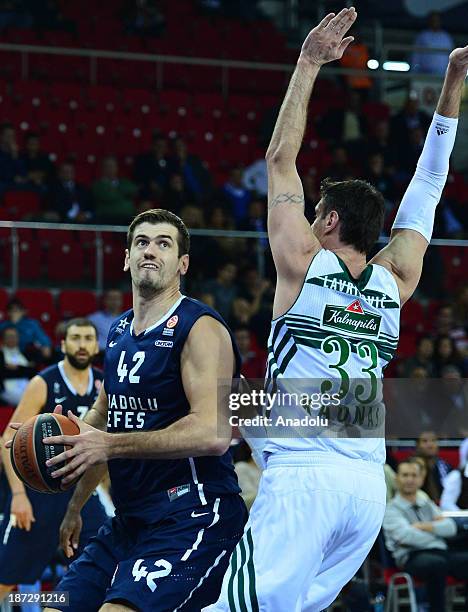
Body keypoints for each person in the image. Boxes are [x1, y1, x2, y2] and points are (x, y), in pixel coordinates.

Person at [207, 8, 468, 610]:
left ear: (325, 220)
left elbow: (279, 160)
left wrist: (307, 63)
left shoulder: (303, 261)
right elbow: (430, 185)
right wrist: (452, 85)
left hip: (306, 478)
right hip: (364, 489)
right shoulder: (395, 277)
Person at [35, 209, 247, 612]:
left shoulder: (200, 327)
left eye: (164, 244)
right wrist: (74, 501)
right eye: (142, 242)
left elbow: (213, 433)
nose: (151, 251)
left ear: (182, 264)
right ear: (126, 257)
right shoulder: (117, 332)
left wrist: (108, 444)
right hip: (129, 521)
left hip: (193, 512)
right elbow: (102, 421)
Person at [0, 319, 108, 603]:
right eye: (75, 338)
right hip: (38, 492)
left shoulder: (103, 385)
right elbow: (6, 441)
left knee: (101, 564)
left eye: (88, 338)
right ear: (63, 345)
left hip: (81, 493)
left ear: (96, 346)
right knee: (6, 579)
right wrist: (19, 495)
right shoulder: (43, 382)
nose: (82, 344)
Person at [383, 460, 468, 611]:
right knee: (436, 564)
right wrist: (437, 534)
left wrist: (423, 526)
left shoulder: (426, 502)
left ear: (421, 479)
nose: (410, 479)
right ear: (397, 479)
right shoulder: (390, 509)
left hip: (439, 552)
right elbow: (407, 537)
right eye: (405, 475)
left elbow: (450, 527)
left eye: (414, 475)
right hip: (410, 556)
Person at [0, 326, 36, 406]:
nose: (12, 339)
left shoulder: (26, 353)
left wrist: (17, 368)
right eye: (9, 336)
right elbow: (3, 373)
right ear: (3, 338)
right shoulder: (1, 354)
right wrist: (23, 369)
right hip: (6, 392)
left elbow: (32, 371)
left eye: (14, 336)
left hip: (27, 388)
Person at [416, 431, 453, 503]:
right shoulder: (411, 466)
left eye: (433, 441)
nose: (430, 445)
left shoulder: (445, 466)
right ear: (418, 445)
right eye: (425, 441)